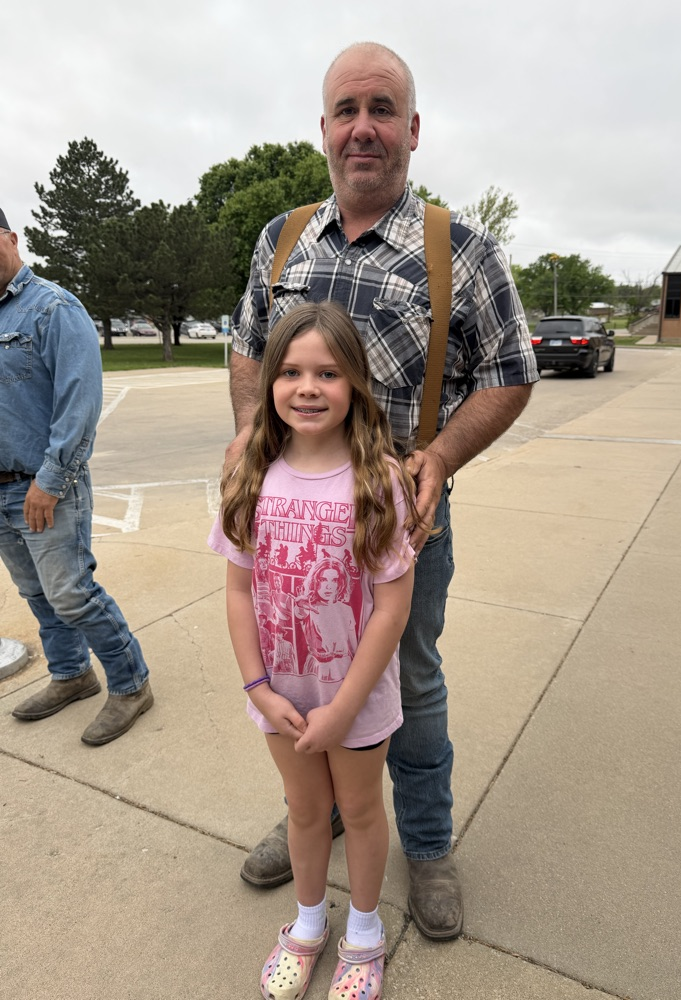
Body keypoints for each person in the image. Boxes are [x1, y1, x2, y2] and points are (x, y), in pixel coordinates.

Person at [226, 41, 538, 940]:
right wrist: (252, 430)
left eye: (382, 109)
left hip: (393, 525)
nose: (363, 127)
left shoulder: (462, 250)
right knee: (297, 672)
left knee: (411, 681)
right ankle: (315, 815)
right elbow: (248, 347)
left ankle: (429, 846)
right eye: (346, 110)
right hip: (289, 519)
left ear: (412, 129)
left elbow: (511, 372)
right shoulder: (279, 239)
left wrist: (438, 457)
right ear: (323, 128)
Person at [210, 301, 418, 1000]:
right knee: (303, 812)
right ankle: (307, 924)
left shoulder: (378, 481)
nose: (307, 387)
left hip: (353, 699)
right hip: (282, 694)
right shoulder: (252, 476)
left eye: (327, 372)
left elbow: (392, 609)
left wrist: (344, 707)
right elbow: (239, 593)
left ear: (356, 383)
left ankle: (363, 933)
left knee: (358, 811)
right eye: (292, 372)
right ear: (268, 383)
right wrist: (258, 688)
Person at [0, 207, 153, 745]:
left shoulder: (53, 308)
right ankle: (71, 675)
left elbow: (79, 403)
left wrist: (50, 480)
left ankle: (131, 684)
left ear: (11, 239)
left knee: (70, 593)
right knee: (36, 593)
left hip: (42, 485)